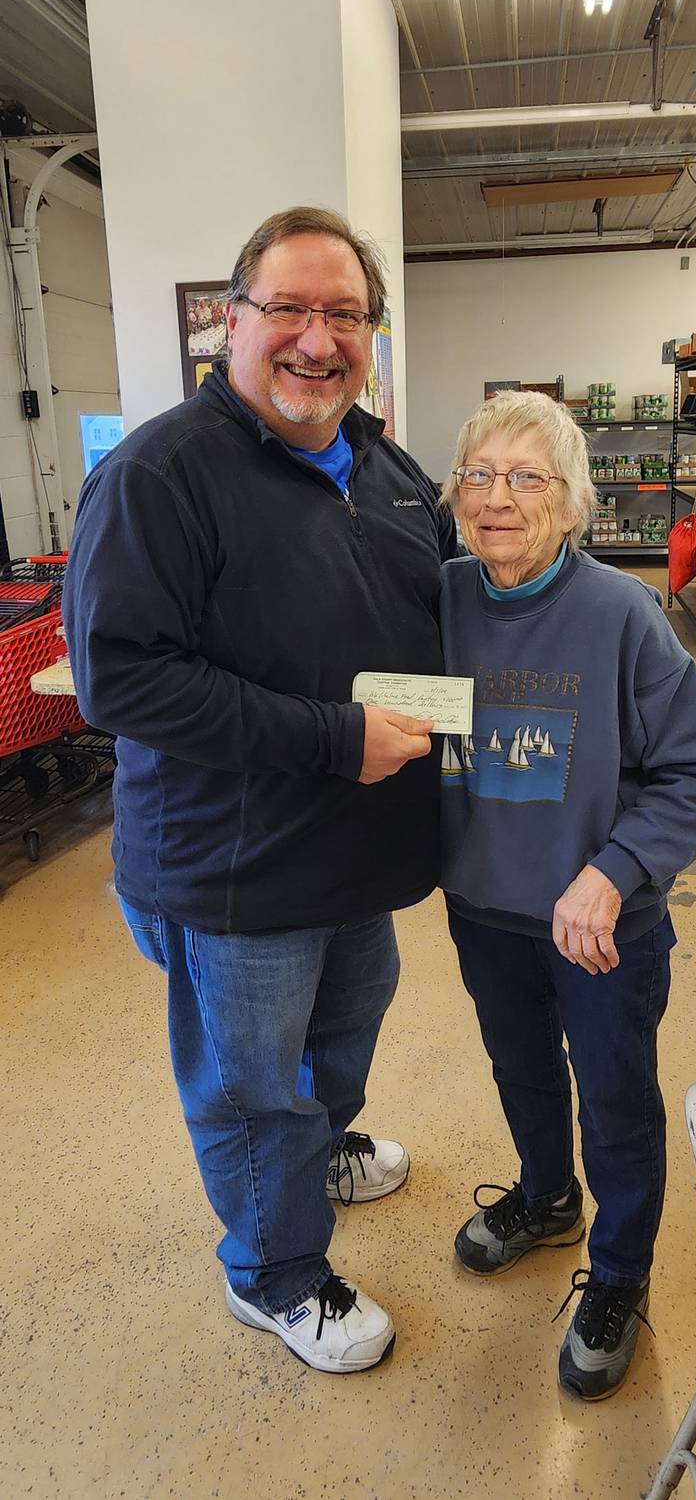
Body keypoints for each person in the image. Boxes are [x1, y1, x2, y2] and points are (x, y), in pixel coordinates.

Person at [62, 205, 457, 1375]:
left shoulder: (383, 462)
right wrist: (335, 738)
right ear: (233, 321)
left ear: (371, 335)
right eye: (286, 307)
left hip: (357, 851)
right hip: (235, 868)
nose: (314, 337)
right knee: (249, 1088)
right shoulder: (159, 474)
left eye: (343, 313)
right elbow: (121, 680)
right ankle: (274, 1273)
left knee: (345, 1029)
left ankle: (316, 1150)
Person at [438, 391, 696, 1401]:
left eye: (527, 477)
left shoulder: (619, 613)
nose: (497, 498)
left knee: (611, 1097)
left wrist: (610, 873)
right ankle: (545, 1196)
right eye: (477, 475)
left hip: (601, 926)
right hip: (483, 908)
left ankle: (616, 1273)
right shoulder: (437, 598)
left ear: (571, 502)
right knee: (519, 1068)